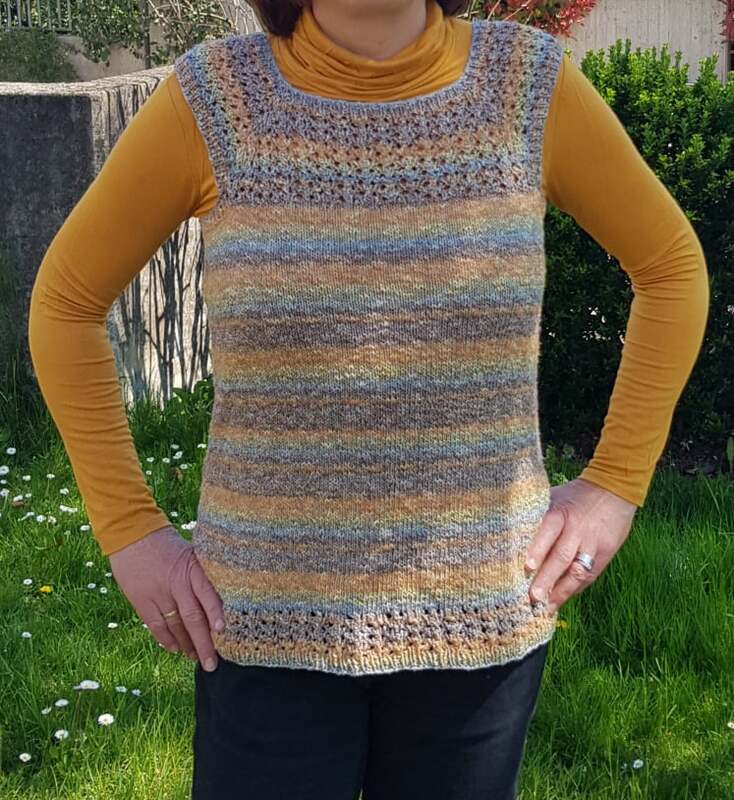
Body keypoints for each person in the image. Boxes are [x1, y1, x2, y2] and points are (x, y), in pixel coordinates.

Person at [27, 0, 709, 797]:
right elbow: (66, 303)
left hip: (480, 616)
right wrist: (129, 531)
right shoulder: (216, 100)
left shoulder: (526, 85)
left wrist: (614, 485)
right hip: (261, 621)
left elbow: (671, 267)